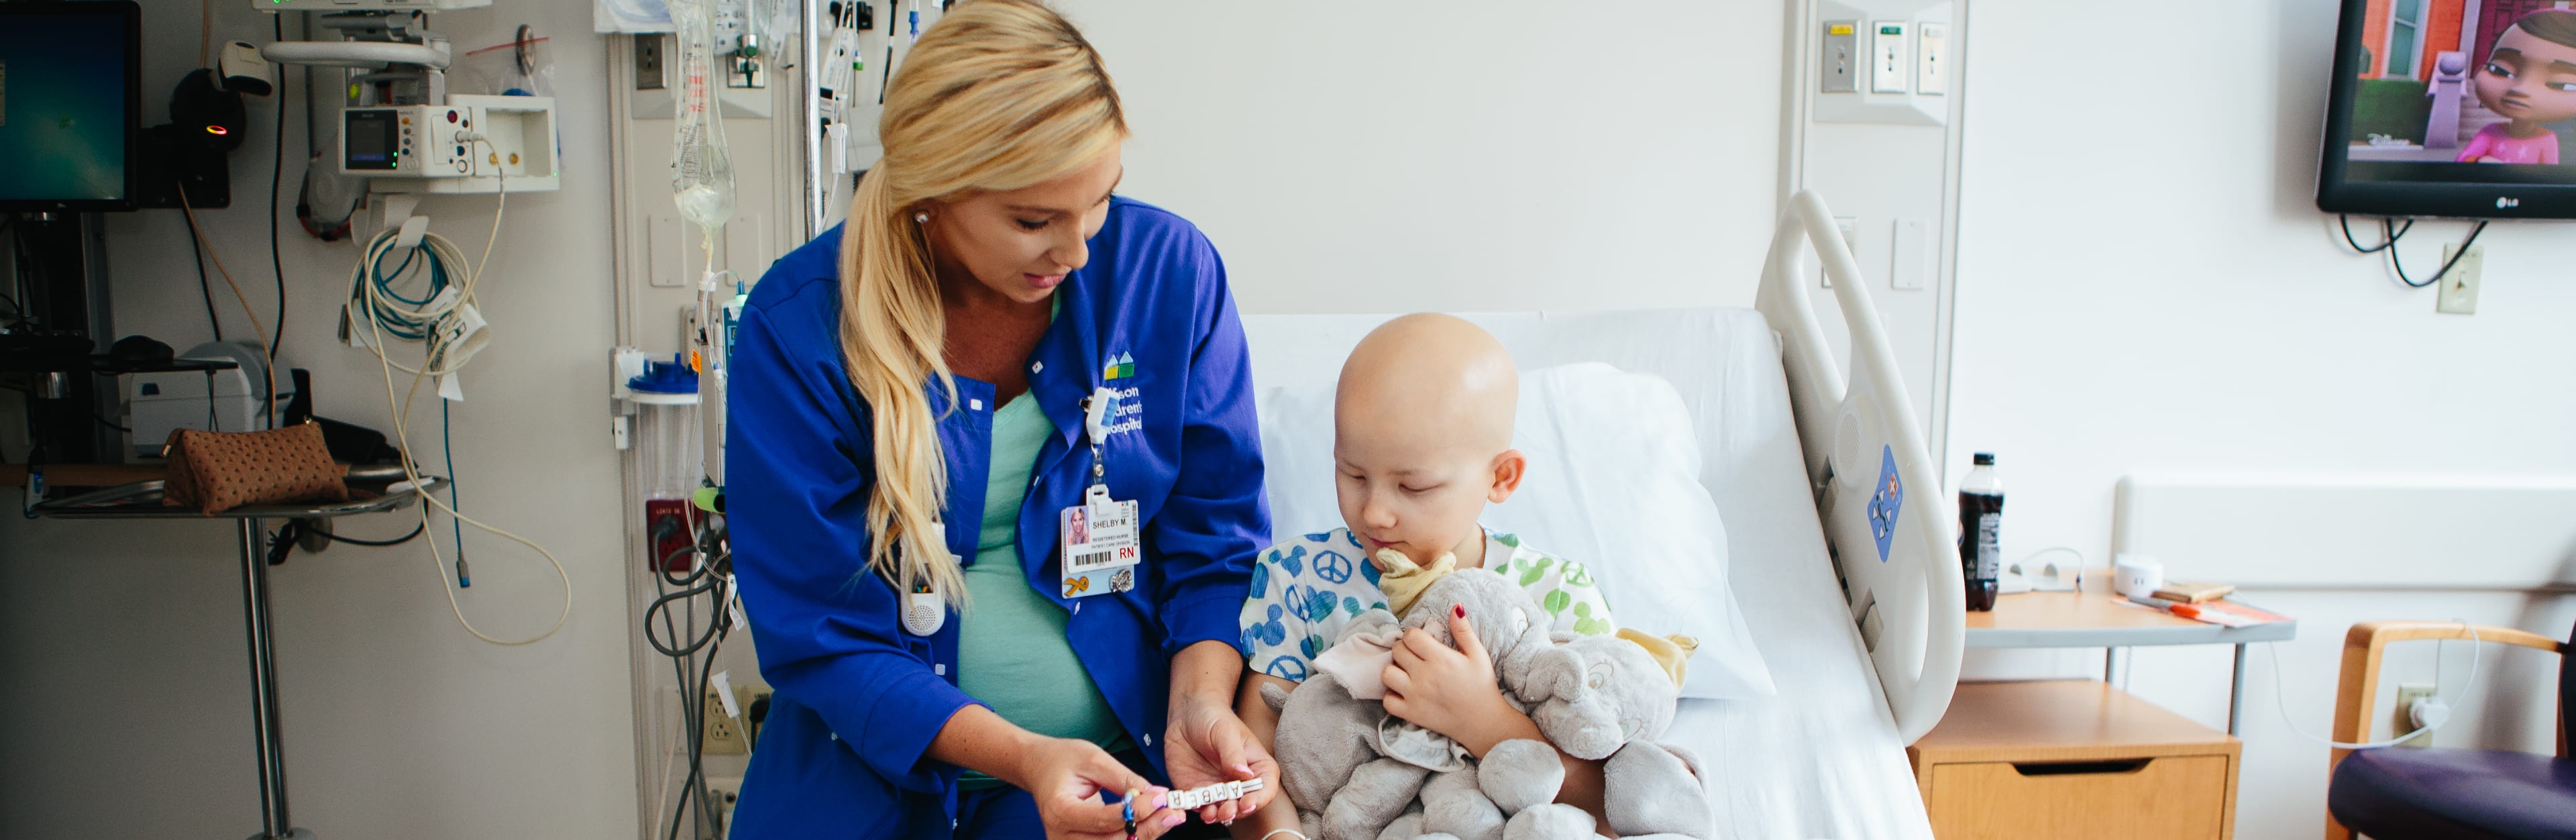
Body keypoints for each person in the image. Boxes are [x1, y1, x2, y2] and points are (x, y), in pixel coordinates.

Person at [724, 2, 1277, 837]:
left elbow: (1215, 547)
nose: (1080, 250)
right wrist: (1025, 754)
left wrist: (1197, 705)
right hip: (867, 793)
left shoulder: (1165, 275)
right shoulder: (802, 326)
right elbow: (820, 629)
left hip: (1121, 784)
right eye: (1032, 220)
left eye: (1100, 201)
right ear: (930, 195)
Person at [1228, 314, 1622, 837]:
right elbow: (1251, 763)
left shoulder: (1557, 596)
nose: (1374, 513)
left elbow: (1613, 800)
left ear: (1501, 477)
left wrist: (1482, 720)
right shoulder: (1297, 580)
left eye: (1412, 488)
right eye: (1353, 473)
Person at [2457, 9, 2576, 165]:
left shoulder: (2547, 140)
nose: (2521, 90)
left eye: (2561, 85)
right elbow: (2462, 161)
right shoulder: (2490, 133)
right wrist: (2482, 161)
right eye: (2500, 70)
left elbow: (2547, 177)